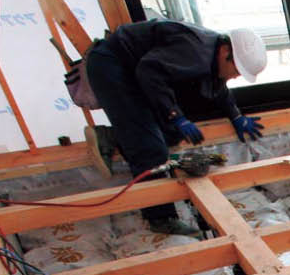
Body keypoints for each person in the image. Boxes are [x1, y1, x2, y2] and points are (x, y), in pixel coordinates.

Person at [85, 21, 267, 235]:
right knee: (150, 148)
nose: (236, 76)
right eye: (236, 70)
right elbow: (148, 72)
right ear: (225, 51)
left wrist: (236, 116)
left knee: (167, 133)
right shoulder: (196, 53)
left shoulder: (211, 54)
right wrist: (176, 116)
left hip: (135, 68)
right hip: (112, 66)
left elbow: (218, 89)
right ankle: (160, 218)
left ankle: (114, 136)